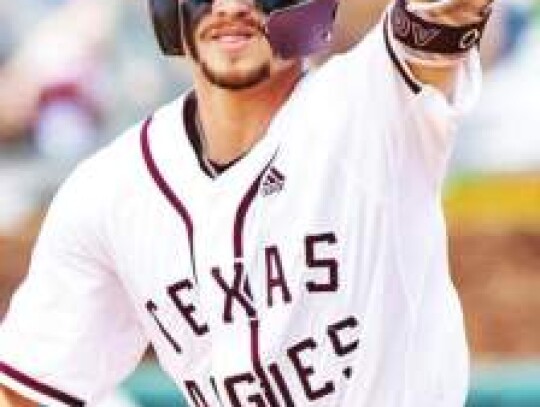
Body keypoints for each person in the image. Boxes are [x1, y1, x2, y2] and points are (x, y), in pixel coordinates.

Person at [0, 0, 493, 405]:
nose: (231, 6)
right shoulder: (108, 192)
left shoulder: (375, 104)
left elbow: (443, 13)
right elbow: (28, 387)